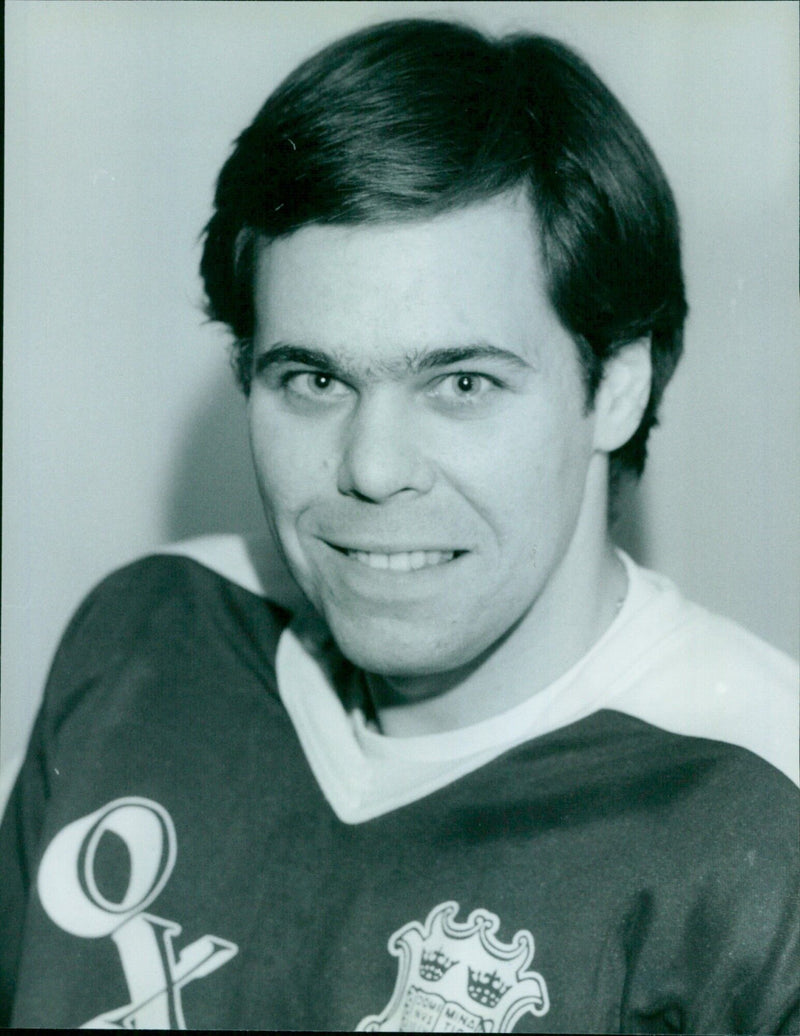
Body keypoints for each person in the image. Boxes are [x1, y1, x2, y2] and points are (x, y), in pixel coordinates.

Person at [1, 18, 797, 1033]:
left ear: (617, 387)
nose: (370, 467)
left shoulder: (759, 813)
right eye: (313, 378)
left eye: (460, 382)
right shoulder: (154, 641)